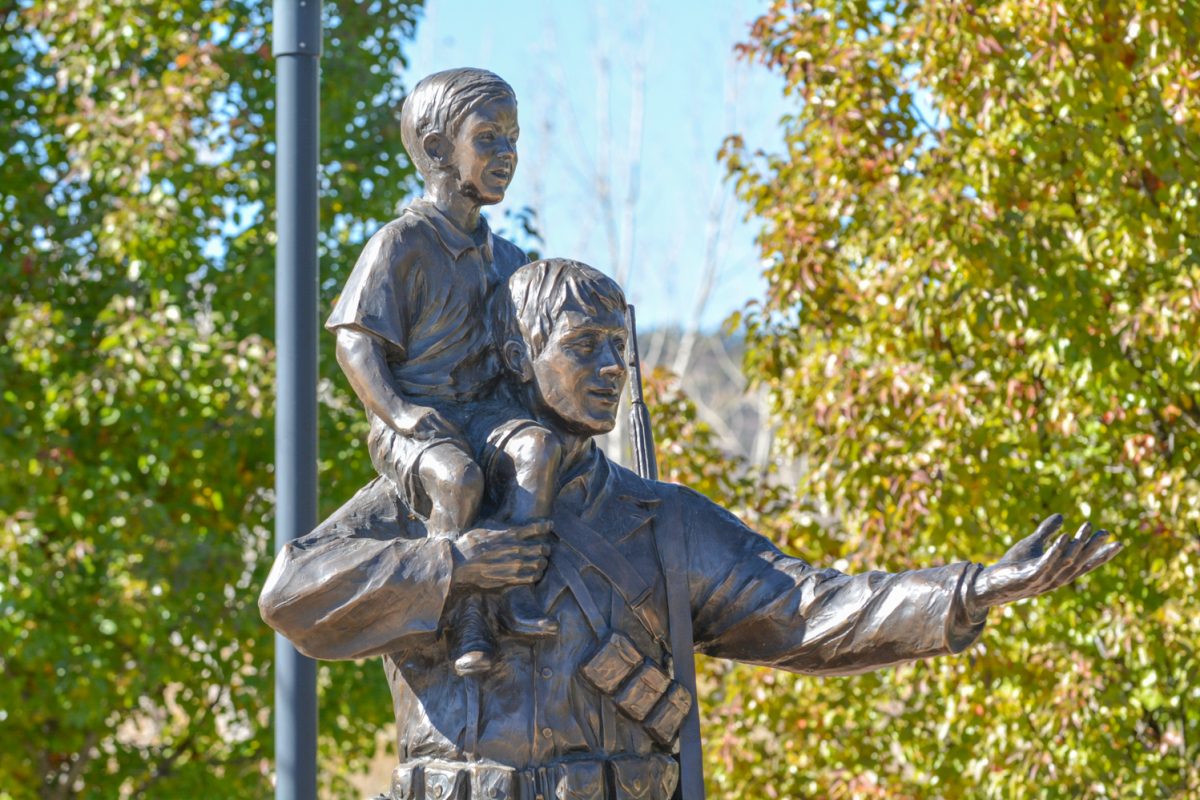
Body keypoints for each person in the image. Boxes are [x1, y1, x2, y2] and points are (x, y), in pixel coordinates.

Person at [261, 259, 1121, 800]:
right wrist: (449, 567)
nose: (608, 369)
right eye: (583, 345)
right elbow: (292, 593)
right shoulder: (434, 492)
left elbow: (808, 609)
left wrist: (969, 589)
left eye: (617, 348)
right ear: (520, 356)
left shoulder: (660, 521)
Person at [327, 68, 559, 675]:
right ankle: (464, 612)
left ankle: (516, 589)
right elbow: (354, 344)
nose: (507, 153)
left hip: (487, 414)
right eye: (489, 138)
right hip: (417, 420)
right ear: (436, 149)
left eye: (513, 139)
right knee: (456, 481)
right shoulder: (400, 244)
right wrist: (401, 414)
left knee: (538, 451)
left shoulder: (509, 258)